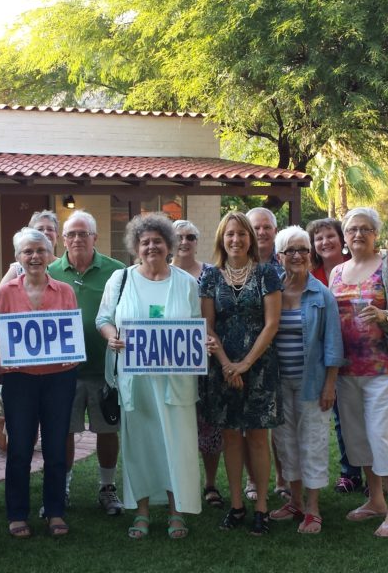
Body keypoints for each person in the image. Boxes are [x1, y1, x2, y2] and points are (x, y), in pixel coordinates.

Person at [98, 213, 203, 539]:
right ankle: (141, 512)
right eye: (145, 242)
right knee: (140, 445)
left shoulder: (186, 283)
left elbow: (197, 326)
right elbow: (103, 318)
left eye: (158, 241)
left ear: (169, 244)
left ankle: (176, 512)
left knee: (176, 445)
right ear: (135, 247)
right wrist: (111, 335)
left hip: (175, 383)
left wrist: (205, 341)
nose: (152, 246)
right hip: (136, 381)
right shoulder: (120, 280)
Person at [329, 207, 388, 538]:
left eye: (365, 229)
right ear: (344, 235)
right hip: (347, 370)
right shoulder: (336, 273)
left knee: (384, 435)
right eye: (352, 229)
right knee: (358, 437)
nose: (358, 234)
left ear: (376, 234)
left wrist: (385, 315)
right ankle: (376, 500)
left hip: (384, 368)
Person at [0, 228, 79, 538]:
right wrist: (2, 350)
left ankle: (54, 512)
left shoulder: (65, 290)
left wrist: (74, 354)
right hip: (20, 381)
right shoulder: (7, 291)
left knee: (55, 447)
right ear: (18, 258)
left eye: (40, 250)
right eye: (28, 251)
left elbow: (72, 330)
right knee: (20, 448)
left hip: (58, 379)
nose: (35, 256)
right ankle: (17, 513)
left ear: (50, 254)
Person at [199, 211, 283, 536]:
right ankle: (236, 505)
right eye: (230, 234)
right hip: (222, 369)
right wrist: (225, 364)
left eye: (242, 234)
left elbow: (272, 323)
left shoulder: (266, 274)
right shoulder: (210, 277)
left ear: (251, 238)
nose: (236, 240)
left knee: (259, 438)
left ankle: (261, 506)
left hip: (259, 368)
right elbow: (208, 326)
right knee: (231, 437)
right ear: (222, 238)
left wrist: (245, 364)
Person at [48, 210, 126, 516]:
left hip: (104, 367)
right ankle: (63, 487)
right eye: (72, 234)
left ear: (95, 237)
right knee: (64, 431)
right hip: (63, 370)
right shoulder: (51, 270)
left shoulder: (117, 271)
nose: (78, 239)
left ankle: (107, 488)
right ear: (63, 239)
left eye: (84, 233)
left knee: (107, 430)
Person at [268, 226, 346, 534]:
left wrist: (330, 384)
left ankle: (313, 509)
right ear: (279, 257)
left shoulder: (322, 295)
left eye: (303, 249)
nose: (298, 256)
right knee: (285, 443)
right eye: (290, 251)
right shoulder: (272, 291)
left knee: (312, 443)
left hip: (312, 383)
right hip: (278, 382)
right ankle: (295, 501)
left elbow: (333, 343)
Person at [307, 218, 364, 495]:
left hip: (357, 351)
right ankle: (349, 472)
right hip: (322, 357)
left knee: (363, 415)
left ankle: (375, 473)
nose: (325, 242)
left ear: (341, 239)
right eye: (319, 238)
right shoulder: (310, 273)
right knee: (341, 417)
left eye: (330, 236)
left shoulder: (353, 269)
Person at [172, 219, 223, 508]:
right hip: (171, 363)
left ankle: (211, 483)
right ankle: (178, 481)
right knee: (178, 424)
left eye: (190, 236)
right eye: (179, 237)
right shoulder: (159, 273)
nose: (184, 241)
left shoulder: (212, 274)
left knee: (209, 425)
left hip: (207, 361)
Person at [245, 207, 288, 501]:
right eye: (256, 227)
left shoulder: (284, 266)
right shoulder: (235, 264)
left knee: (278, 424)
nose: (261, 232)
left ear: (275, 230)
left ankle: (283, 480)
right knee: (251, 424)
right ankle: (252, 480)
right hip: (245, 355)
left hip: (280, 352)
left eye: (266, 227)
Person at [0, 210, 60, 284]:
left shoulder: (64, 267)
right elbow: (1, 293)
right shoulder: (18, 269)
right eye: (40, 229)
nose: (45, 232)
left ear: (57, 237)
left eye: (50, 229)